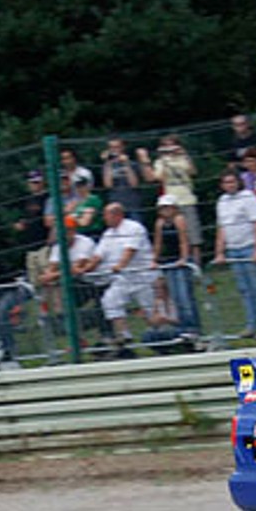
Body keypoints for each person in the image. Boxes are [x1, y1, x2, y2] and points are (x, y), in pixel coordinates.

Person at [213, 169, 256, 338]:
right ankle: (251, 324)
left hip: (248, 246)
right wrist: (220, 251)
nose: (229, 185)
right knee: (244, 289)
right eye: (226, 182)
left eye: (232, 181)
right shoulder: (222, 201)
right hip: (233, 249)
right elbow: (222, 227)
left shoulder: (248, 197)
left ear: (238, 182)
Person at [94, 202, 157, 357]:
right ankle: (124, 336)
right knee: (110, 300)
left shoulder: (133, 228)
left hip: (143, 275)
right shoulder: (108, 234)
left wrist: (119, 265)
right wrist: (84, 269)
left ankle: (159, 339)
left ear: (117, 215)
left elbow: (130, 251)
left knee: (150, 309)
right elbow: (98, 256)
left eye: (107, 214)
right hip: (123, 278)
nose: (104, 218)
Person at [137, 135, 201, 247]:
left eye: (172, 145)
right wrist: (147, 160)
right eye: (166, 146)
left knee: (194, 238)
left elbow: (193, 172)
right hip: (170, 202)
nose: (169, 148)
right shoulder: (160, 162)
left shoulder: (183, 159)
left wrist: (183, 154)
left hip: (187, 199)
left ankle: (196, 262)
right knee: (177, 237)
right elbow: (154, 178)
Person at [150, 193, 198, 335]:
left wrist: (183, 258)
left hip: (180, 260)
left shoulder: (179, 220)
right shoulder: (160, 223)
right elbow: (158, 243)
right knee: (176, 297)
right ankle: (182, 328)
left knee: (184, 296)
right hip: (169, 261)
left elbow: (184, 240)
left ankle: (192, 327)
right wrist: (154, 259)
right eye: (163, 208)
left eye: (168, 207)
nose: (165, 211)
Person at [98, 137, 142, 223]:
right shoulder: (107, 166)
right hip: (115, 204)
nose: (114, 150)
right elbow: (108, 185)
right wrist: (108, 162)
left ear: (122, 148)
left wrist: (126, 164)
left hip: (132, 205)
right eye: (111, 147)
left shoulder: (132, 164)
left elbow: (134, 184)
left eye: (117, 147)